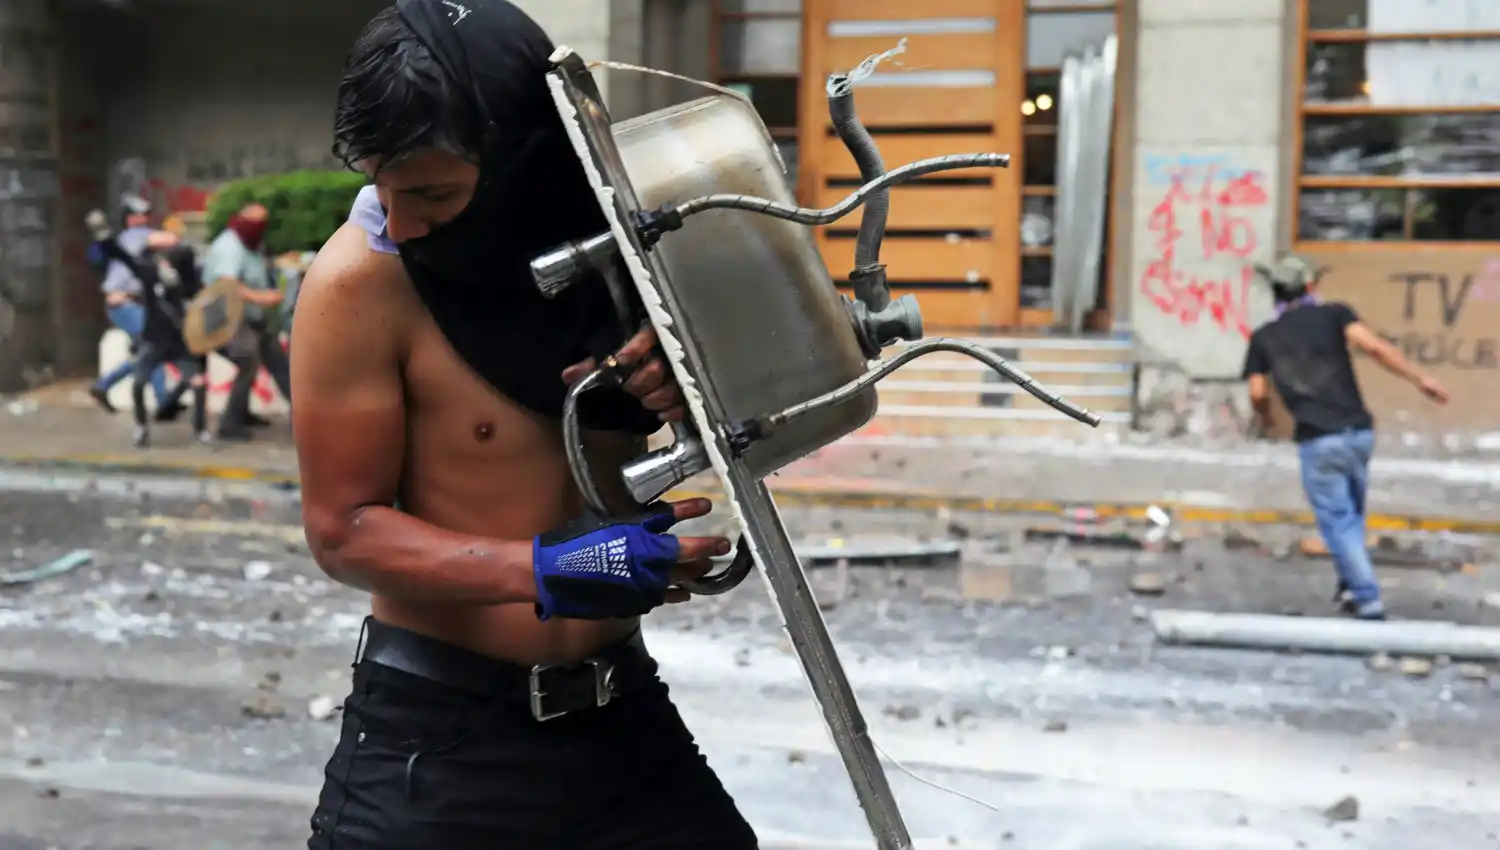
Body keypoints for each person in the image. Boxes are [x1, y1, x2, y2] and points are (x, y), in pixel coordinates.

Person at [292, 2, 757, 849]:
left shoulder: (628, 251)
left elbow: (772, 411)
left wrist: (691, 382)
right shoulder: (359, 282)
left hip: (624, 727)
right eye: (382, 189)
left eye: (431, 192)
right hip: (438, 747)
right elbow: (343, 533)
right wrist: (564, 566)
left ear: (520, 158)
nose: (400, 223)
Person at [1243, 255, 1450, 621]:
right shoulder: (1335, 314)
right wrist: (1421, 379)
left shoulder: (1263, 338)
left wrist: (1267, 420)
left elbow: (1258, 393)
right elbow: (1374, 347)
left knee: (1338, 521)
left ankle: (1368, 598)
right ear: (1310, 287)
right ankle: (1350, 587)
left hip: (1317, 440)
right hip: (1358, 432)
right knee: (1351, 516)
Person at [110, 238, 213, 448]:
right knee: (139, 383)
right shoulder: (152, 274)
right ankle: (141, 426)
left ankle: (200, 430)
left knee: (199, 384)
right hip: (154, 341)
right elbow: (130, 262)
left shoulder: (191, 286)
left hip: (180, 345)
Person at [200, 203, 289, 440]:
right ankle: (229, 425)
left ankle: (305, 416)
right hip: (223, 318)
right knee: (248, 357)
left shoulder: (252, 244)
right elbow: (227, 284)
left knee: (277, 360)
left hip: (249, 318)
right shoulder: (230, 247)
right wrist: (262, 297)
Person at [88, 195, 179, 418]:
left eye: (146, 214)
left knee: (147, 350)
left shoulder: (128, 239)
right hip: (124, 305)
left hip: (126, 304)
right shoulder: (135, 235)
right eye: (140, 214)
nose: (144, 217)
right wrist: (176, 226)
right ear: (129, 218)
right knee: (153, 346)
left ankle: (104, 385)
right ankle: (163, 400)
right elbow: (170, 240)